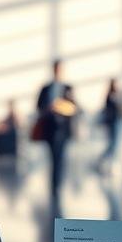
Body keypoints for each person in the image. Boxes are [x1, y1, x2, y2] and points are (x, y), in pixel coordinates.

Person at [35, 60, 75, 195]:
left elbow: (74, 107)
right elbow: (38, 106)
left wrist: (62, 108)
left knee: (60, 156)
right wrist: (48, 109)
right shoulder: (45, 88)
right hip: (49, 128)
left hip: (63, 128)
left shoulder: (68, 88)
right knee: (53, 157)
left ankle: (57, 184)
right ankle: (53, 184)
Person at [97, 78, 121, 170]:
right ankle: (104, 160)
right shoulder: (111, 96)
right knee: (113, 144)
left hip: (116, 122)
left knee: (115, 144)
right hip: (112, 123)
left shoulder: (115, 95)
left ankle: (110, 163)